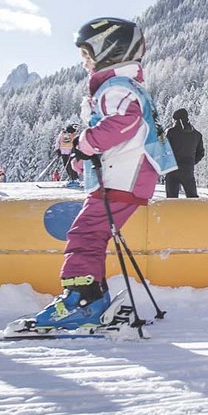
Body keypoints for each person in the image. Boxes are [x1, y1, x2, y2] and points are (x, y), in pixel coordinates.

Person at [32, 17, 173, 330]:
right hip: (121, 177)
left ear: (108, 51)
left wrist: (85, 143)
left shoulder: (116, 88)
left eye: (87, 55)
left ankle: (81, 302)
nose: (84, 63)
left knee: (84, 236)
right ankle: (90, 298)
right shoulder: (119, 86)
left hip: (122, 179)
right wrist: (86, 155)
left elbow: (124, 123)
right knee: (90, 236)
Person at [164, 108, 205, 198]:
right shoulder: (197, 135)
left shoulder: (171, 132)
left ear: (176, 120)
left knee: (171, 200)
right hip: (188, 170)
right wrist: (191, 162)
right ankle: (193, 212)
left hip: (172, 169)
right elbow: (201, 153)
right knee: (192, 198)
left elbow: (164, 150)